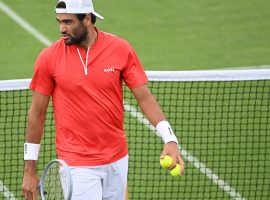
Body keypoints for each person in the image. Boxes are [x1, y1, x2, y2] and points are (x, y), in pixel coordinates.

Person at [22, 0, 184, 199]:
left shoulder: (120, 49)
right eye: (59, 22)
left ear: (88, 19)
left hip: (117, 159)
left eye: (68, 22)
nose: (61, 28)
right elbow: (36, 115)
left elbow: (145, 98)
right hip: (77, 163)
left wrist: (170, 138)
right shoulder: (49, 57)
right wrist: (29, 170)